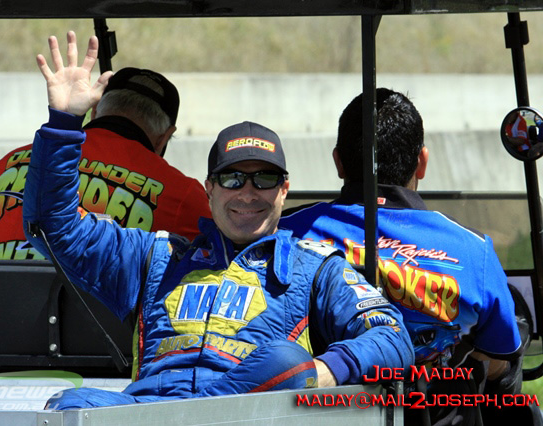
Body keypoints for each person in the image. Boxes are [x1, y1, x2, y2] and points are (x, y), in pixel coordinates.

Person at [22, 32, 413, 409]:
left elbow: (392, 336)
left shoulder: (313, 268)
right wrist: (64, 123)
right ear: (208, 189)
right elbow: (52, 228)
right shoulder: (155, 256)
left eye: (264, 179)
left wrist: (320, 372)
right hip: (149, 410)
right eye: (232, 179)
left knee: (285, 360)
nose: (248, 193)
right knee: (70, 405)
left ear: (284, 190)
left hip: (246, 413)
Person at [280, 88, 531, 425]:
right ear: (422, 162)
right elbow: (499, 355)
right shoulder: (474, 250)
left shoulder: (287, 232)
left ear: (338, 162)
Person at [0, 56, 211, 370]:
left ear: (95, 109)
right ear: (165, 137)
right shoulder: (184, 194)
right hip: (106, 376)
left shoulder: (14, 162)